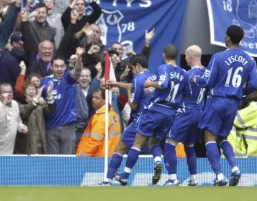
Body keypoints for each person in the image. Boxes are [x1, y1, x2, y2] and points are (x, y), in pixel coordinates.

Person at [115, 44, 190, 186]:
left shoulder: (163, 68)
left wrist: (150, 83)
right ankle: (157, 161)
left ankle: (125, 176)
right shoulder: (183, 73)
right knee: (154, 142)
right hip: (170, 113)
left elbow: (163, 83)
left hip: (156, 110)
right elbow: (187, 94)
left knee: (137, 142)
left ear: (164, 55)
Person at [194, 25, 257, 186]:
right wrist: (240, 92)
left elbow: (207, 81)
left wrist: (194, 79)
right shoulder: (250, 59)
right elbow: (254, 84)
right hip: (233, 103)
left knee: (209, 137)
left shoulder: (218, 57)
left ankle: (219, 175)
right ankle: (235, 168)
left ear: (228, 37)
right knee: (223, 137)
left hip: (217, 100)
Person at [102, 54, 155, 185]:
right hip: (155, 118)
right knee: (153, 146)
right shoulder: (153, 76)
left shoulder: (138, 78)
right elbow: (133, 85)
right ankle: (169, 174)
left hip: (141, 119)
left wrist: (129, 92)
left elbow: (133, 105)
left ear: (137, 66)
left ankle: (108, 181)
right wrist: (116, 83)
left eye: (132, 69)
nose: (132, 71)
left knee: (120, 148)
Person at [163, 45, 206, 186]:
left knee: (169, 143)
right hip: (199, 112)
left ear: (190, 56)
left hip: (186, 111)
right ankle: (194, 179)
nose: (185, 59)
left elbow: (175, 91)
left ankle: (172, 179)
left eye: (186, 56)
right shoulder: (208, 73)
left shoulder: (187, 75)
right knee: (190, 146)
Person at [40, 47, 85, 154]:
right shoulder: (45, 81)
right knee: (52, 164)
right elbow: (39, 98)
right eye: (56, 66)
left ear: (65, 68)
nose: (59, 69)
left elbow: (77, 72)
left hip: (67, 127)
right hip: (50, 127)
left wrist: (79, 59)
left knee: (67, 162)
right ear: (51, 67)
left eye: (61, 66)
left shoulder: (67, 78)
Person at [76, 89, 121, 157]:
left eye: (97, 98)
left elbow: (94, 141)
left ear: (105, 100)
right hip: (109, 155)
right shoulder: (113, 114)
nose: (93, 100)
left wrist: (83, 157)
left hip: (99, 157)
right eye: (93, 97)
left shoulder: (102, 117)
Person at [233, 76, 257, 158]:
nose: (247, 92)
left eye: (250, 90)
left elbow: (234, 119)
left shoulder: (255, 107)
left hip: (248, 155)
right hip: (256, 153)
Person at [0, 83, 28, 155]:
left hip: (9, 149)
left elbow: (17, 121)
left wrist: (22, 127)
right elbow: (2, 121)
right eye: (5, 92)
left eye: (10, 92)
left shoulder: (15, 104)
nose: (8, 94)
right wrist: (4, 103)